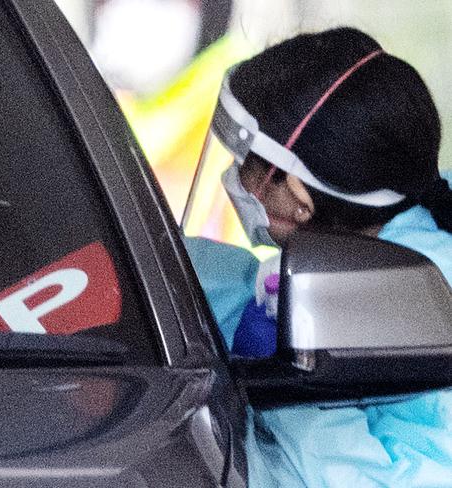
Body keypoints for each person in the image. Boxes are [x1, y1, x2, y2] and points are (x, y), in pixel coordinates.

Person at [183, 27, 452, 487]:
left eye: (246, 165)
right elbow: (209, 284)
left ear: (300, 198)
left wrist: (291, 393)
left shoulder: (405, 297)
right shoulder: (385, 240)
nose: (236, 180)